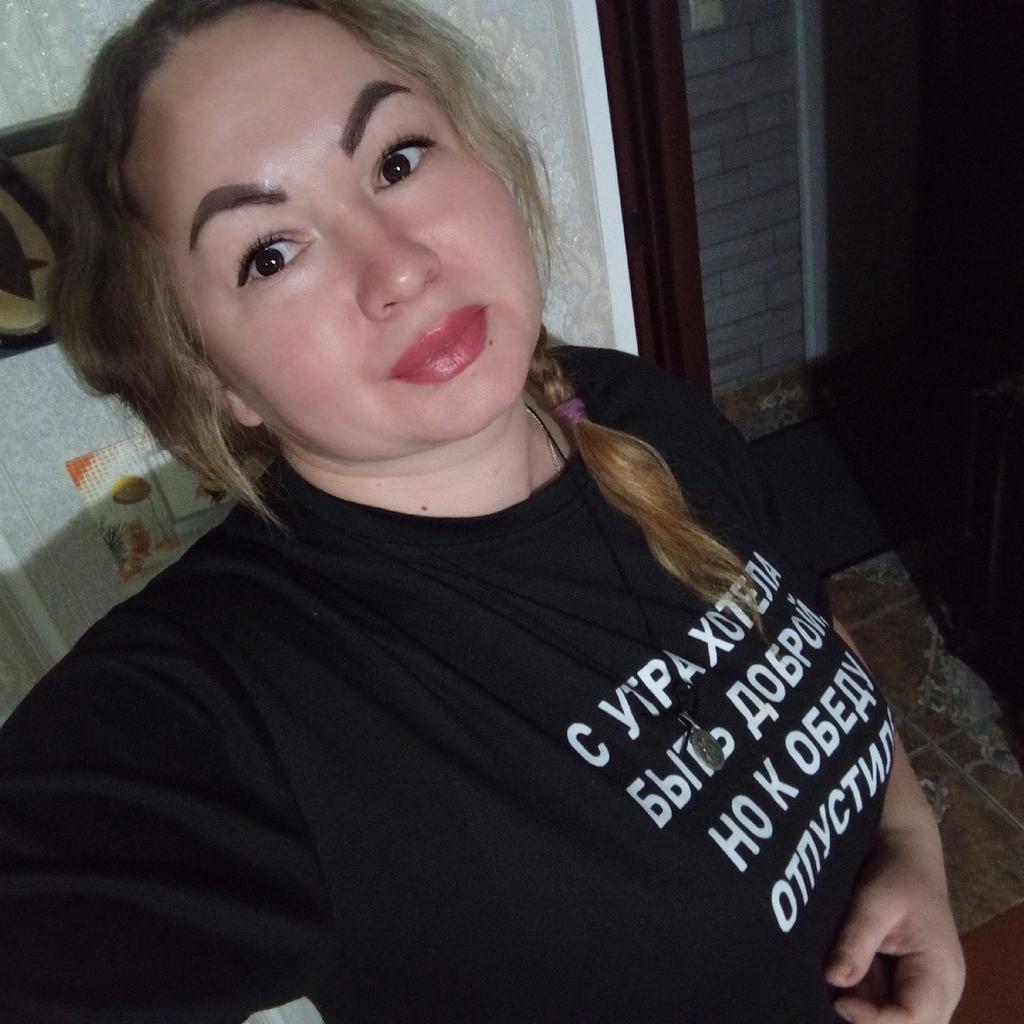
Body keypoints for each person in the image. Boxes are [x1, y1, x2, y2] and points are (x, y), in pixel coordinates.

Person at [0, 1, 964, 1021]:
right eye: (270, 253)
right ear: (214, 375)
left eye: (397, 158)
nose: (398, 266)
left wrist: (910, 845)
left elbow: (813, 637)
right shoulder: (237, 698)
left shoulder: (634, 407)